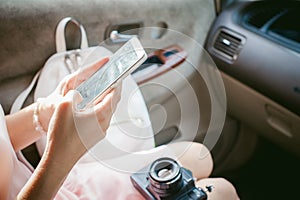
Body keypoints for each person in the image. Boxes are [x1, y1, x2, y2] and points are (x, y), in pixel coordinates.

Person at [0, 57, 239, 200]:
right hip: (45, 185)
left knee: (199, 156)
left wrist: (44, 113)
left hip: (59, 185)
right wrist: (61, 157)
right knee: (224, 191)